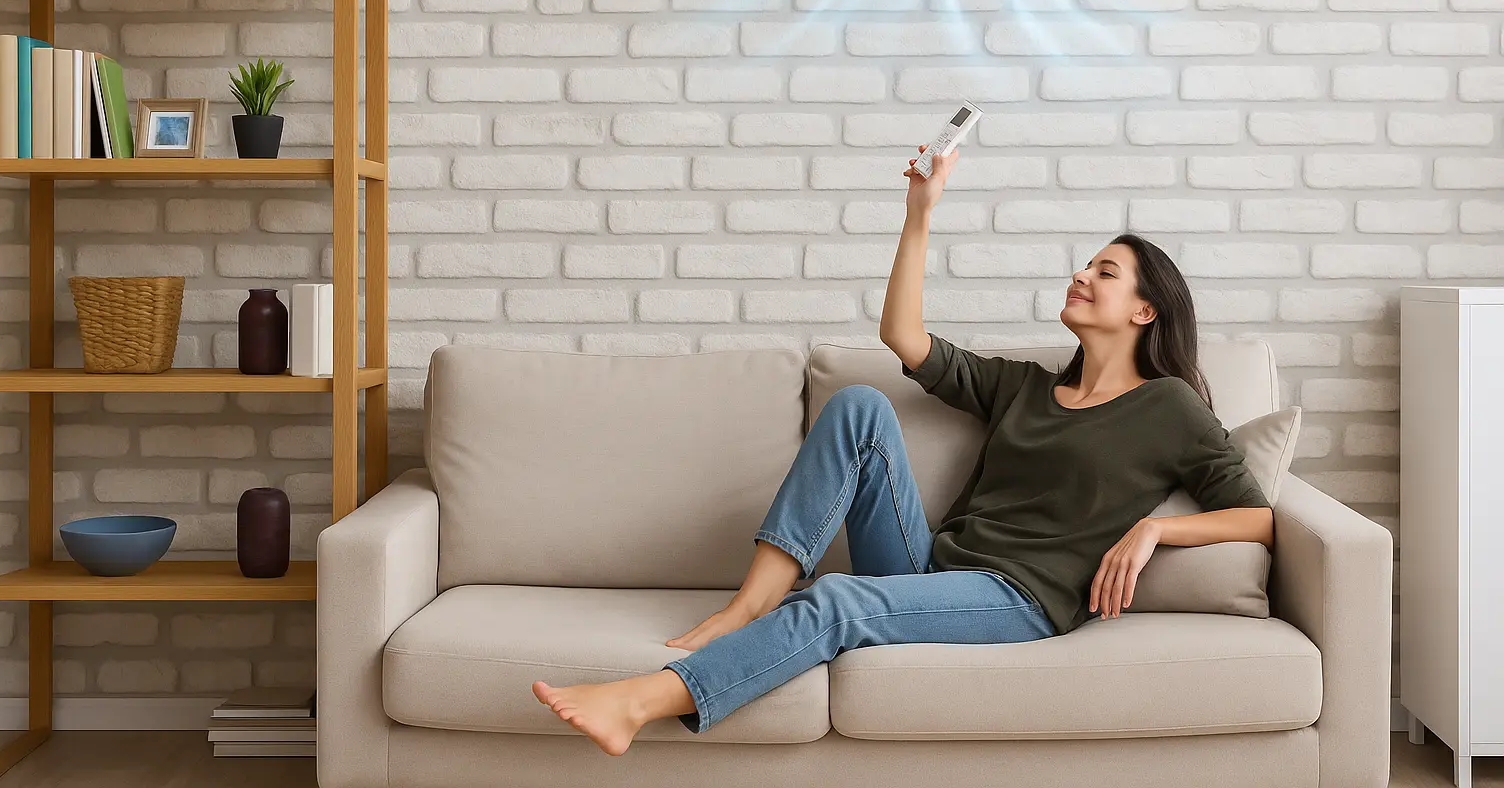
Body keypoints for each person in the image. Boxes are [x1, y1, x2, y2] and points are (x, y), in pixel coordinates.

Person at [533, 141, 1274, 755]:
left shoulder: (1168, 408)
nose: (1081, 274)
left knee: (837, 599)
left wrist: (1154, 530)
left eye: (1104, 272)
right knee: (859, 407)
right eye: (1085, 264)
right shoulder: (1023, 388)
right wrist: (920, 214)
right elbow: (906, 340)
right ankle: (747, 605)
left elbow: (1257, 515)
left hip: (1019, 600)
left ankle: (641, 703)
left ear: (1145, 310)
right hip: (933, 570)